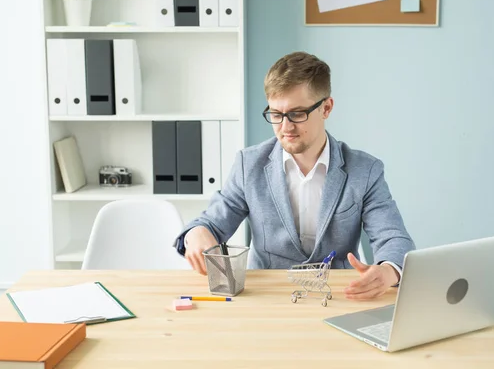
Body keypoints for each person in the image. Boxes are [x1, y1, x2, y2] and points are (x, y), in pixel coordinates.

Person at [173, 51, 415, 300]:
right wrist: (198, 233)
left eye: (297, 114)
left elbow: (393, 237)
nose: (285, 128)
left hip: (338, 296)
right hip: (268, 296)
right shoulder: (249, 164)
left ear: (326, 108)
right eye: (276, 115)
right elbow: (211, 223)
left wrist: (388, 271)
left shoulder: (364, 170)